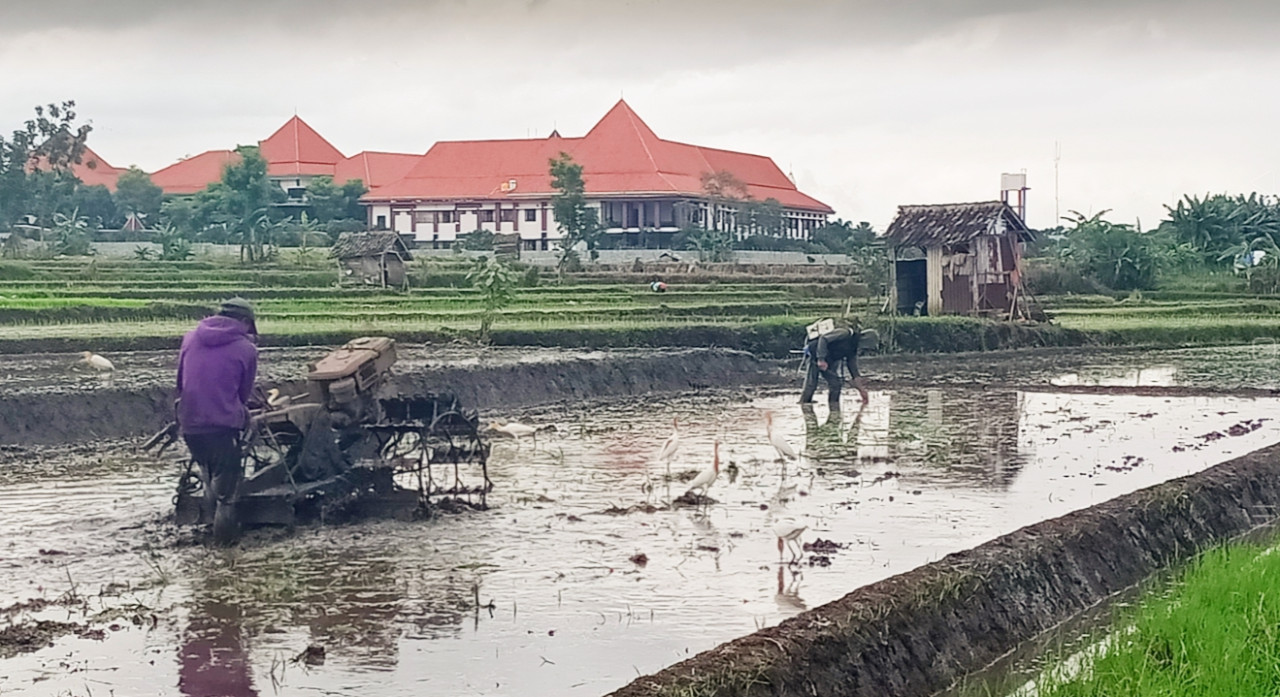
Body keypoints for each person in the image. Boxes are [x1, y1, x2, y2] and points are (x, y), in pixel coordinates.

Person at [176, 297, 259, 544]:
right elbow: (243, 394)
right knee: (227, 494)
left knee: (207, 473)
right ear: (244, 321)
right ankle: (226, 555)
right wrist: (242, 414)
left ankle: (206, 533)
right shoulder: (246, 349)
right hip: (222, 425)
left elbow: (181, 382)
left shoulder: (189, 337)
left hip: (190, 422)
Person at [799, 317, 870, 406]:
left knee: (836, 385)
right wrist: (821, 359)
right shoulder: (845, 333)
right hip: (815, 354)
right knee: (811, 384)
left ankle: (834, 408)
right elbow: (823, 339)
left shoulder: (853, 349)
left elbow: (852, 368)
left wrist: (861, 390)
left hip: (830, 360)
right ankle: (804, 405)